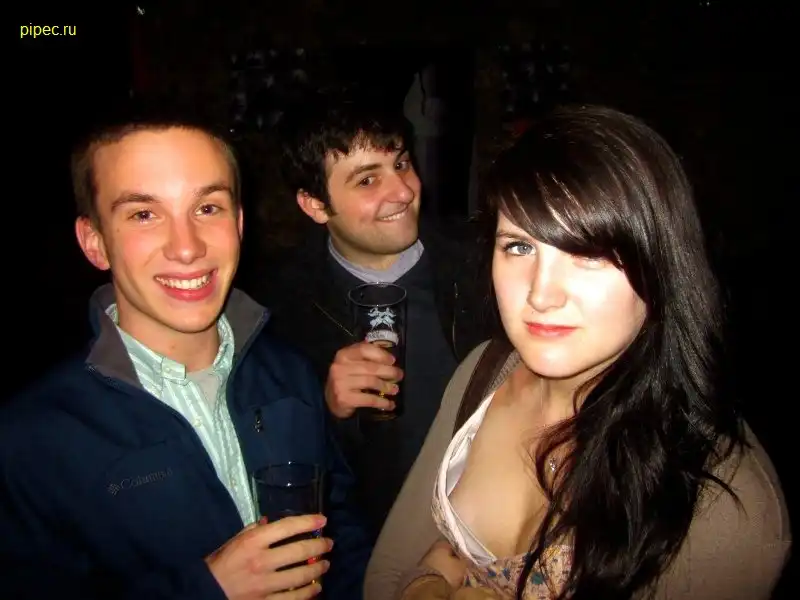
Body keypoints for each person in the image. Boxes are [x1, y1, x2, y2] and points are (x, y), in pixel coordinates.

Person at [364, 105, 791, 599]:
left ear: (660, 264)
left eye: (588, 254)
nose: (541, 294)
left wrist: (439, 581)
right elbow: (385, 573)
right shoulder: (482, 374)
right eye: (519, 247)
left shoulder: (722, 504)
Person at [0, 106, 370, 600]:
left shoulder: (290, 374)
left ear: (239, 223)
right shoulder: (30, 439)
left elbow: (342, 531)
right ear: (95, 242)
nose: (187, 247)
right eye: (144, 214)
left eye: (207, 208)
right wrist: (207, 589)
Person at [246, 94, 493, 542]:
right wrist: (328, 410)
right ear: (315, 205)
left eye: (401, 164)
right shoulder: (278, 311)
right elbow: (279, 466)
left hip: (494, 516)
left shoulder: (486, 263)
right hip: (383, 542)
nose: (403, 191)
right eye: (367, 180)